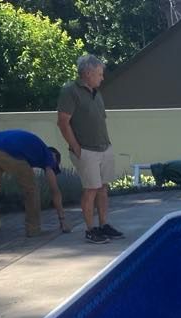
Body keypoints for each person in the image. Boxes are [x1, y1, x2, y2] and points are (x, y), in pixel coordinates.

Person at [57, 53, 124, 245]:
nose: (102, 78)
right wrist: (77, 149)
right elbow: (63, 122)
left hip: (104, 148)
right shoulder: (70, 91)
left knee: (103, 188)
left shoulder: (96, 92)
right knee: (91, 190)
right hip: (86, 151)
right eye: (99, 74)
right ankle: (90, 229)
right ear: (87, 73)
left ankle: (103, 225)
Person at [0, 129, 69, 238]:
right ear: (54, 157)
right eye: (54, 166)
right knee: (31, 190)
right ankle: (33, 229)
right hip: (11, 153)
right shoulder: (48, 155)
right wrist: (62, 220)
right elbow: (54, 190)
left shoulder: (34, 148)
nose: (52, 168)